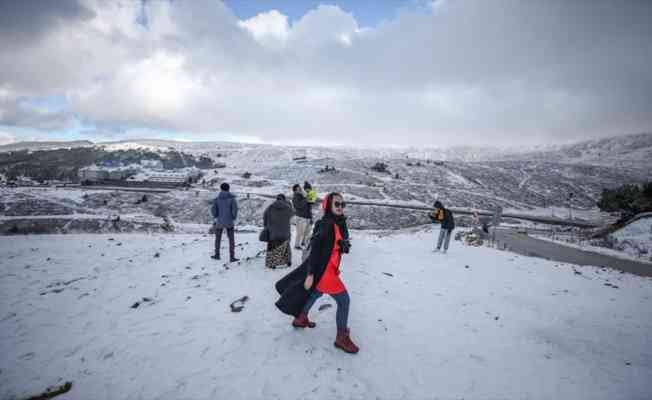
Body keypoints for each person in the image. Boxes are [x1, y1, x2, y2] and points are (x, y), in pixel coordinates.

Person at [275, 192, 359, 354]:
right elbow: (315, 250)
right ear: (328, 205)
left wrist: (343, 246)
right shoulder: (325, 224)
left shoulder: (339, 222)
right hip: (325, 271)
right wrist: (311, 274)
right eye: (337, 204)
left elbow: (336, 243)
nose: (340, 207)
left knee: (316, 293)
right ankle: (341, 337)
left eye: (343, 204)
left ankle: (301, 319)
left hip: (330, 269)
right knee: (344, 301)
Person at [263, 194, 294, 269]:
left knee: (273, 247)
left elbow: (265, 217)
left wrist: (266, 226)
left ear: (276, 199)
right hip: (285, 232)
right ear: (284, 199)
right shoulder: (288, 207)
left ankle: (273, 263)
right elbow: (292, 214)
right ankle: (288, 261)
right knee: (286, 246)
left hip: (273, 232)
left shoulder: (270, 207)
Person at [211, 182, 239, 262]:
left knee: (218, 238)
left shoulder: (217, 199)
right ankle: (232, 257)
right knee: (231, 239)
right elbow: (235, 209)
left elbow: (213, 210)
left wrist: (216, 216)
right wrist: (233, 217)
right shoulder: (232, 199)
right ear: (228, 189)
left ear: (221, 189)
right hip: (229, 221)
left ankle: (217, 255)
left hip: (219, 221)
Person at [292, 184, 312, 250]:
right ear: (295, 191)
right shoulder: (295, 197)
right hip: (300, 217)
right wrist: (306, 199)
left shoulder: (302, 196)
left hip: (306, 216)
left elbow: (308, 207)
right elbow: (299, 206)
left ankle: (304, 244)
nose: (300, 189)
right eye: (298, 188)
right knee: (300, 232)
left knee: (307, 232)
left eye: (300, 188)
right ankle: (297, 245)